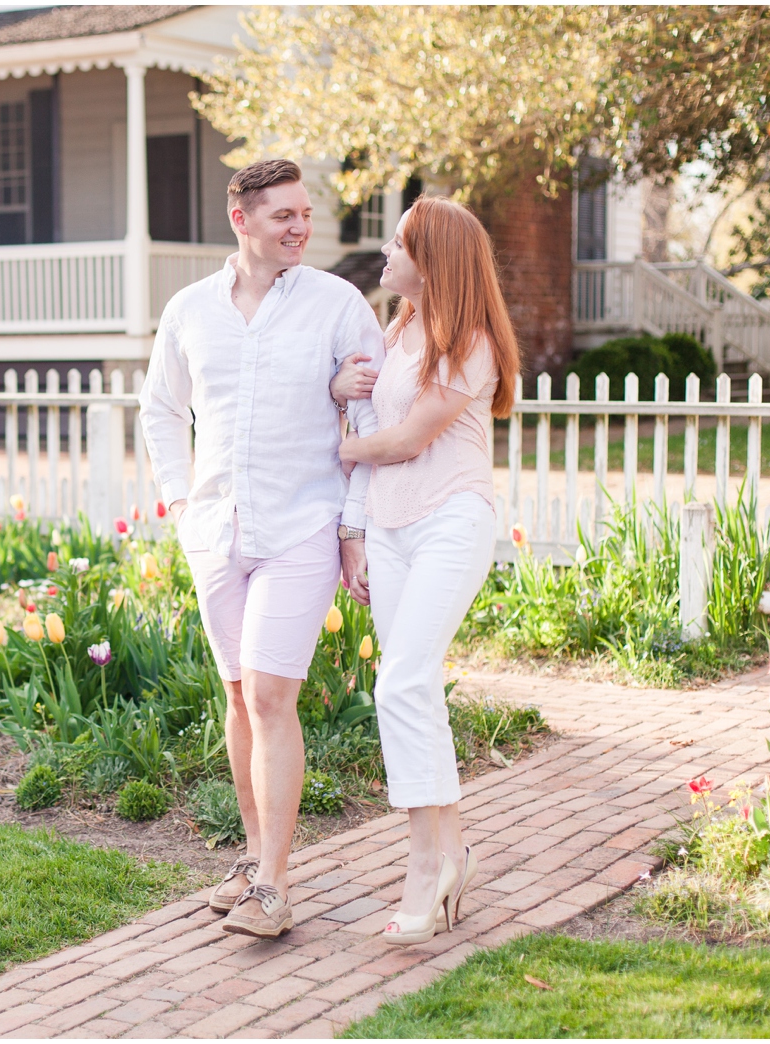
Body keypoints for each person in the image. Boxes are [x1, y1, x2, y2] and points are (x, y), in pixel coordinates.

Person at [138, 158, 383, 938]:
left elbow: (374, 417)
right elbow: (160, 410)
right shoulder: (189, 310)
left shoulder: (338, 305)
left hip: (301, 526)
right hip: (216, 532)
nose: (300, 228)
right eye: (284, 216)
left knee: (274, 695)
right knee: (240, 694)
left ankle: (275, 886)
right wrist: (180, 500)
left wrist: (352, 527)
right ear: (241, 219)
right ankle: (252, 858)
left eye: (304, 214)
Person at [329, 195, 521, 945]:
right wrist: (354, 526)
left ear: (432, 256)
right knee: (415, 688)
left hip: (451, 519)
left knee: (403, 680)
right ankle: (452, 854)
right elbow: (370, 420)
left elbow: (404, 439)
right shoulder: (400, 329)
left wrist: (339, 447)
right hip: (389, 527)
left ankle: (421, 862)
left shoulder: (469, 341)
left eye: (400, 241)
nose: (386, 249)